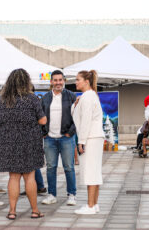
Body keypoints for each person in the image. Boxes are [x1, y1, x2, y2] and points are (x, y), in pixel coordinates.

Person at [0, 68, 47, 220]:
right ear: (26, 81)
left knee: (13, 177)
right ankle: (35, 211)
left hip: (8, 142)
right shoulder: (32, 98)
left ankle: (12, 211)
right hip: (29, 141)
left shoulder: (1, 99)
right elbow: (43, 120)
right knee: (30, 177)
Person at [41, 70, 78, 206]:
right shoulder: (45, 98)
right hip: (49, 138)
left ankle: (71, 194)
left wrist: (70, 132)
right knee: (51, 168)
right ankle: (51, 194)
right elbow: (39, 117)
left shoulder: (71, 96)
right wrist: (43, 133)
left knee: (69, 167)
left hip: (66, 138)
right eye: (55, 80)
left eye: (60, 80)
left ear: (64, 81)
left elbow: (77, 117)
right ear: (51, 82)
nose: (58, 83)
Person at [72, 70, 104, 215]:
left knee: (90, 172)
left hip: (90, 137)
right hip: (95, 137)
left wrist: (81, 141)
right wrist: (75, 104)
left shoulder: (88, 97)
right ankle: (94, 204)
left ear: (86, 81)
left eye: (78, 79)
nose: (76, 82)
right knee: (94, 172)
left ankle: (90, 206)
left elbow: (85, 121)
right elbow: (79, 116)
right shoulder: (89, 96)